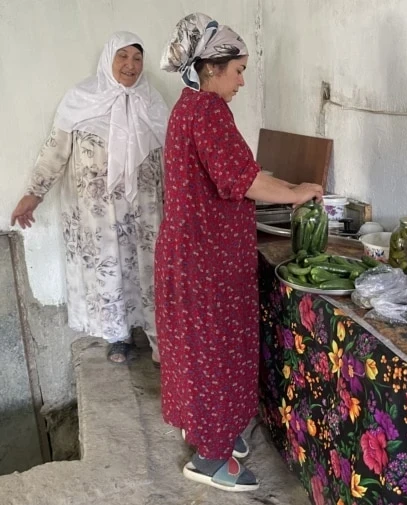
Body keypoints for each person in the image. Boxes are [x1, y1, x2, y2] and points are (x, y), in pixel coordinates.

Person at [156, 13, 323, 492]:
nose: (242, 81)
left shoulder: (188, 106)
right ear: (211, 67)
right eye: (238, 70)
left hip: (190, 253)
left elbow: (230, 172)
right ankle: (210, 458)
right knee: (215, 353)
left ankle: (210, 430)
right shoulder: (208, 110)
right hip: (207, 260)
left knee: (197, 351)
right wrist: (297, 192)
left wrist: (279, 183)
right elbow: (242, 180)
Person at [10, 32, 168, 365]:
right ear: (108, 59)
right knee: (110, 272)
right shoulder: (81, 99)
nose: (130, 65)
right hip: (100, 216)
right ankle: (119, 337)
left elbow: (170, 158)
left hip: (145, 213)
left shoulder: (152, 102)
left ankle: (160, 340)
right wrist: (33, 194)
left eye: (137, 58)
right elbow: (55, 152)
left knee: (151, 272)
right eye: (122, 56)